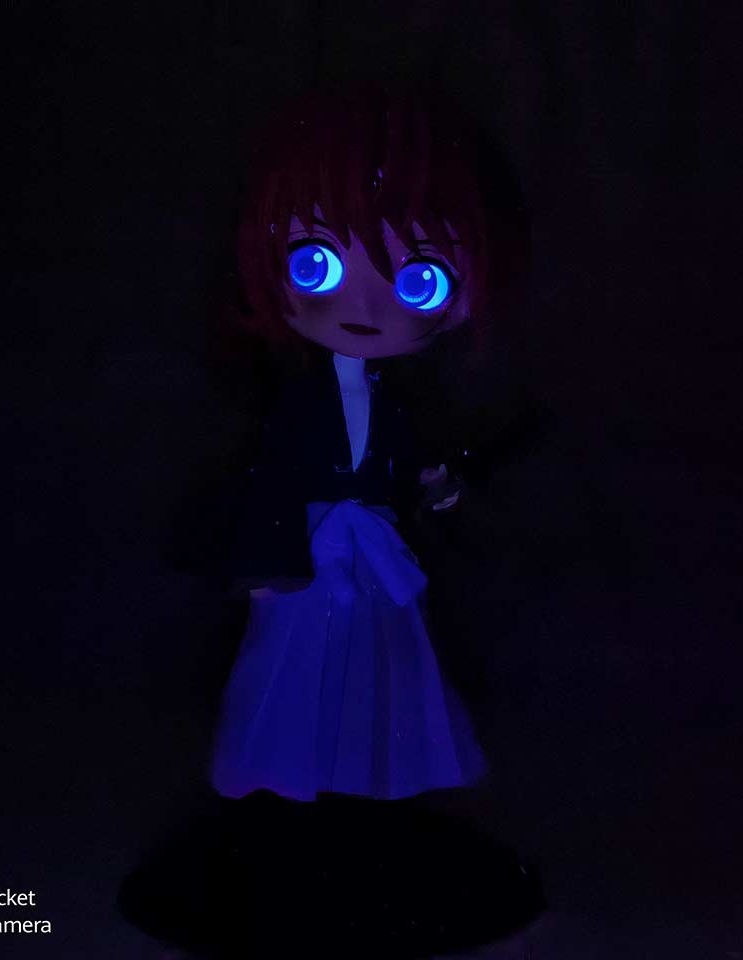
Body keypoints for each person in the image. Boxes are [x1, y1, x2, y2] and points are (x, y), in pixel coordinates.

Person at [207, 83, 504, 803]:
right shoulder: (299, 405)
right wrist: (266, 563)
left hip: (373, 541)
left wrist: (436, 489)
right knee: (299, 656)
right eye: (316, 264)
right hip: (313, 546)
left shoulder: (396, 405)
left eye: (420, 279)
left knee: (384, 654)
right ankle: (295, 770)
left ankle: (373, 771)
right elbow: (273, 479)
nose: (365, 309)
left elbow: (407, 466)